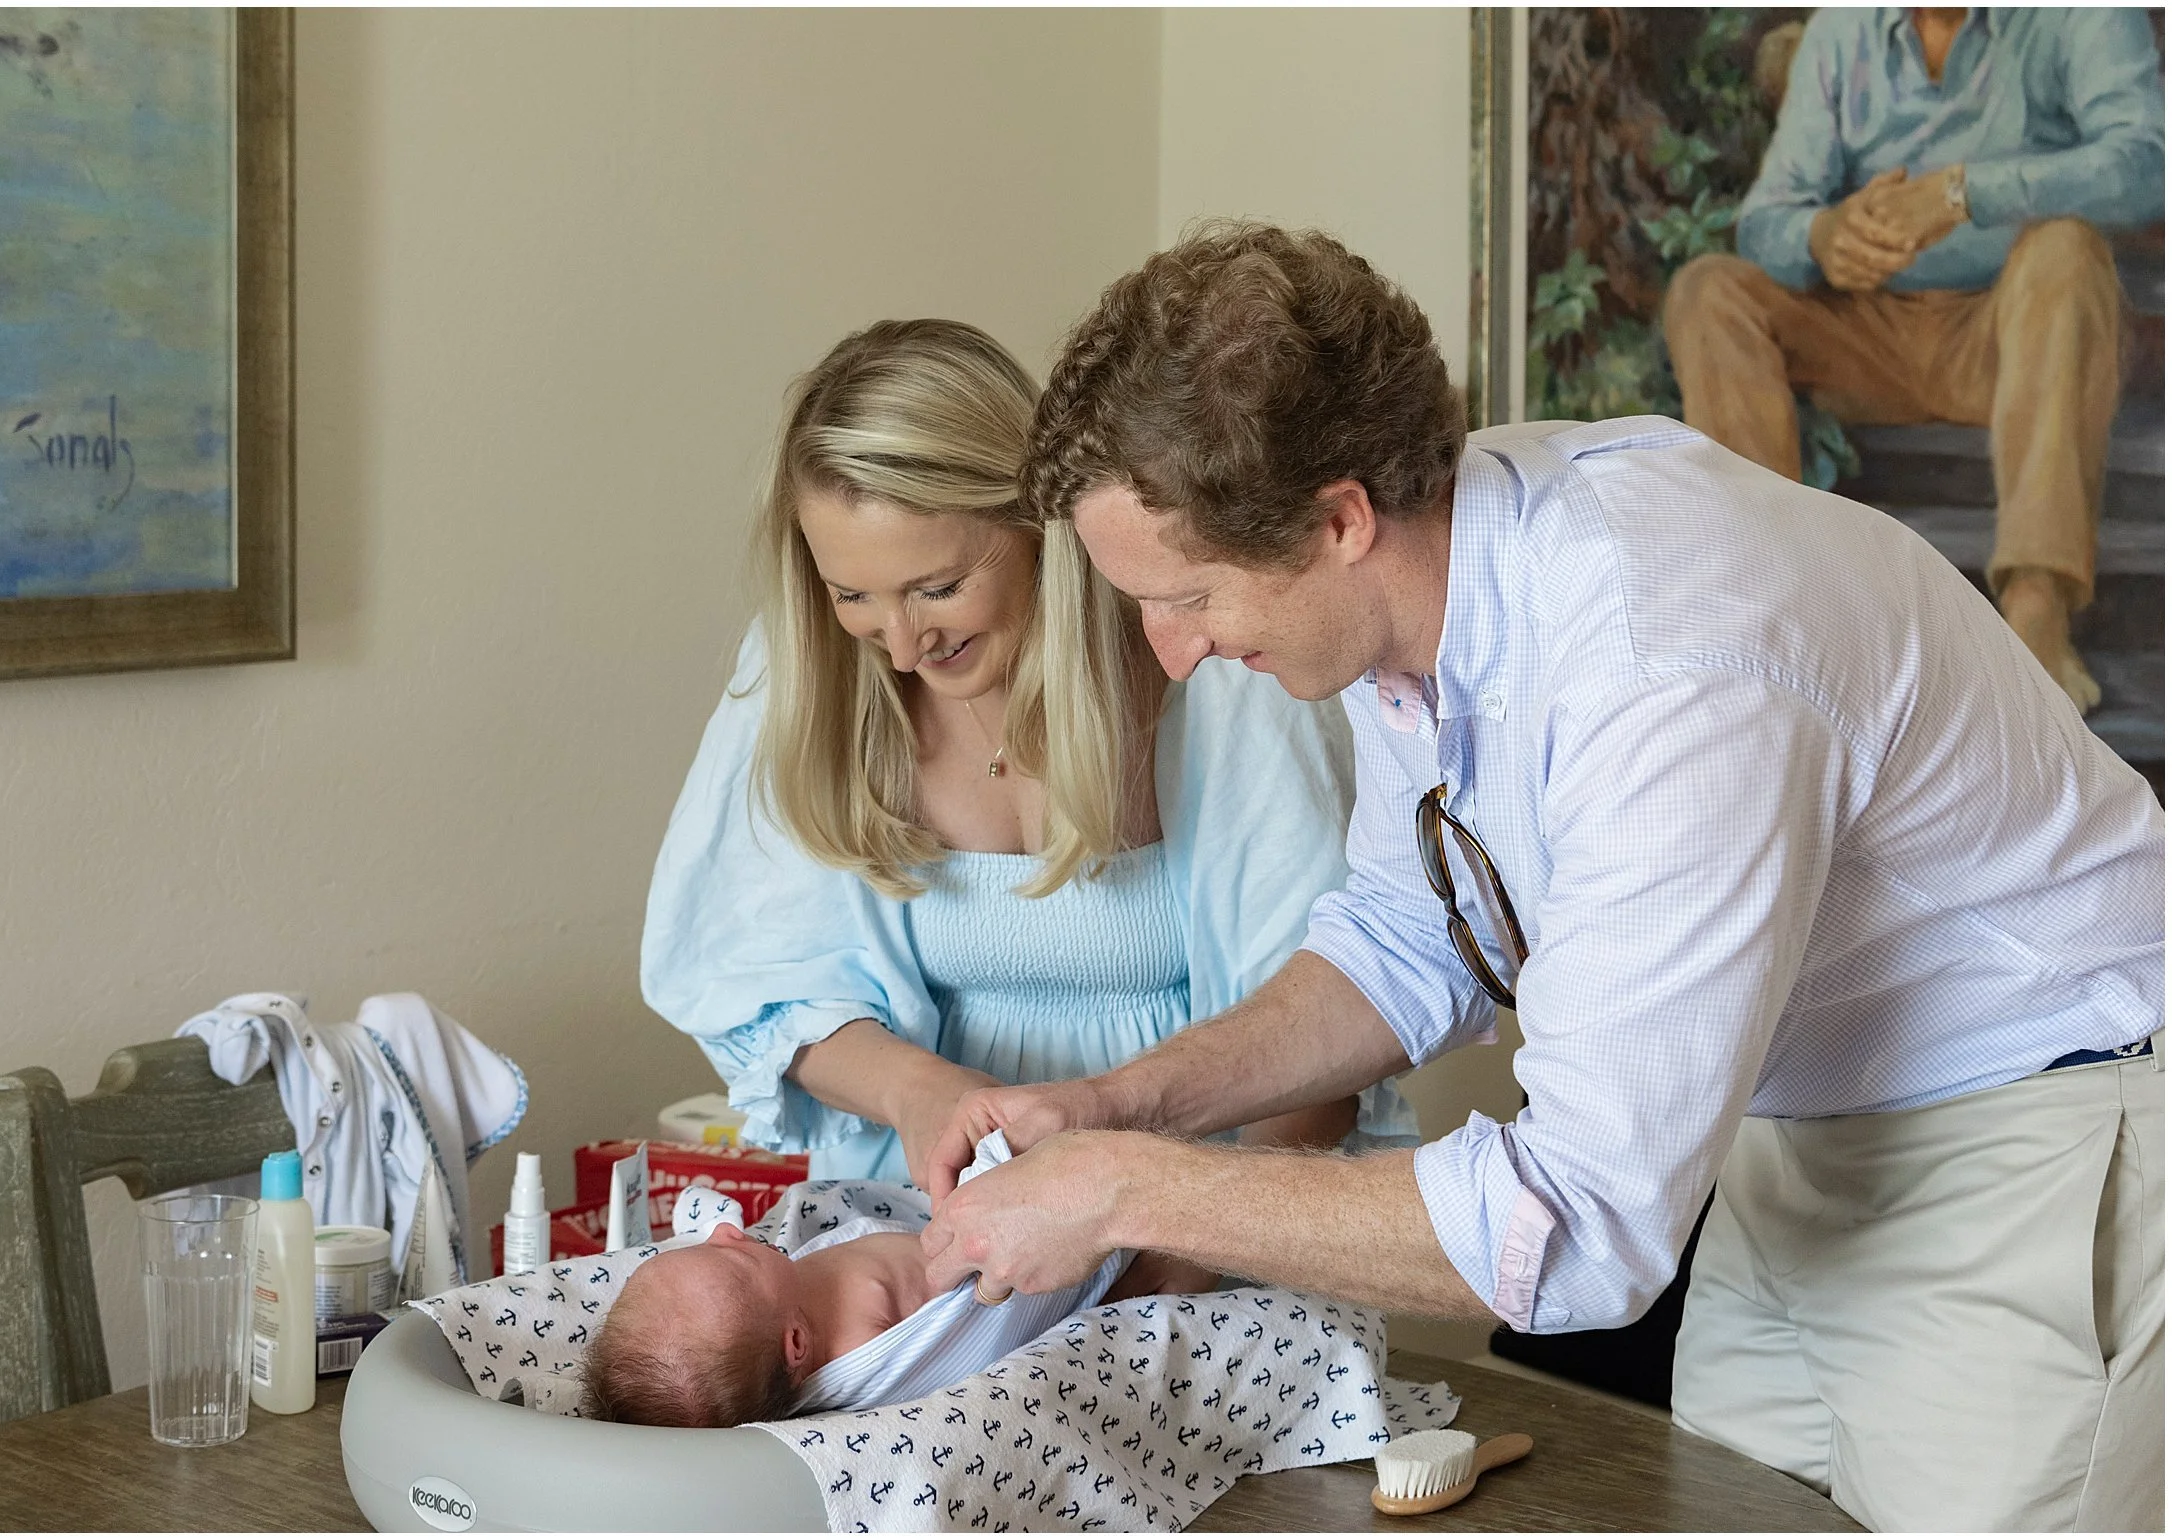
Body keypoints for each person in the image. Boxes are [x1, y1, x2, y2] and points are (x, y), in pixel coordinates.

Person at [915, 224, 2165, 1532]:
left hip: (2032, 1137)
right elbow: (1408, 941)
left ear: (1339, 519)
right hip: (1795, 1144)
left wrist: (1129, 1189)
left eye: (1189, 599)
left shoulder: (1669, 656)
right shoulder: (1423, 601)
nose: (1173, 655)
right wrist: (1116, 1104)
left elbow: (1575, 1228)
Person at [641, 319, 1415, 1205]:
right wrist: (925, 1095)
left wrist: (1156, 1261)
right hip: (923, 1206)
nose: (900, 645)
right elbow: (760, 983)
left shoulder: (1212, 665)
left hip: (1215, 1199)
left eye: (939, 589)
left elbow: (1329, 1031)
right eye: (853, 593)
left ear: (1040, 528)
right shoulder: (805, 670)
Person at [1663, 7, 2165, 714]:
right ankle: (1770, 609)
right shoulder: (1846, 29)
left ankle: (2037, 617)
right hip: (1869, 337)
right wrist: (1820, 235)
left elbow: (2147, 164)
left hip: (2019, 333)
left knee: (2064, 253)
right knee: (1708, 290)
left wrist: (1964, 193)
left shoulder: (2079, 15)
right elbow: (1766, 219)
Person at [586, 1140, 1132, 1427]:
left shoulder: (783, 1304)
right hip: (1029, 1256)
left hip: (917, 1221)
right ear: (795, 1343)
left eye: (703, 1245)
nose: (727, 1231)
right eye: (735, 1260)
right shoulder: (866, 1351)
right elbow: (967, 1337)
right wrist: (997, 1173)